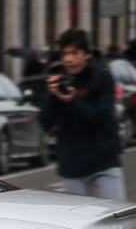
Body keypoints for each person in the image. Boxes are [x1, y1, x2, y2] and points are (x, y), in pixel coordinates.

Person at [38, 28, 127, 200]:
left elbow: (104, 117)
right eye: (64, 54)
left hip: (103, 164)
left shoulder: (102, 78)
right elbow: (45, 123)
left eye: (75, 53)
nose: (69, 59)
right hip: (72, 168)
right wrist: (53, 97)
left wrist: (73, 101)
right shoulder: (61, 82)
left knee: (115, 221)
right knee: (79, 225)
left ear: (87, 55)